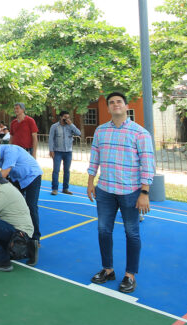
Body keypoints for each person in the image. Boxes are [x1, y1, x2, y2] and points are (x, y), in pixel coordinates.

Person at [87, 92, 155, 294]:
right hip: (105, 191)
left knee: (132, 233)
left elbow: (147, 165)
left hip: (130, 192)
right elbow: (94, 159)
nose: (115, 105)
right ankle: (108, 269)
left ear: (126, 106)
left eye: (119, 102)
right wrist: (91, 183)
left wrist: (144, 192)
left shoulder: (140, 133)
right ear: (108, 108)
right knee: (103, 231)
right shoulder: (100, 131)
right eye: (111, 103)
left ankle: (130, 275)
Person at [0, 142, 43, 252]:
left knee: (31, 206)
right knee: (11, 205)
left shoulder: (10, 151)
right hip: (17, 178)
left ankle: (35, 239)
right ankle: (15, 234)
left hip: (32, 176)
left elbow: (1, 175)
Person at [48, 110, 81, 195]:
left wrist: (71, 124)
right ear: (60, 117)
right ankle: (54, 188)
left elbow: (78, 133)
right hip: (57, 151)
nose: (66, 119)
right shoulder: (54, 126)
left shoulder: (70, 126)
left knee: (67, 170)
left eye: (68, 117)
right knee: (56, 170)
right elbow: (51, 139)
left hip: (68, 151)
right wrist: (51, 150)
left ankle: (65, 188)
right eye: (65, 117)